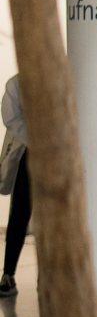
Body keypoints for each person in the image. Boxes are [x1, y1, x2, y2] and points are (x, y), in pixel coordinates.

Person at [0, 75, 29, 298]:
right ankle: (8, 274)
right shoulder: (17, 83)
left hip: (60, 153)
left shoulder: (67, 76)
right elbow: (11, 118)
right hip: (29, 154)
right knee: (19, 213)